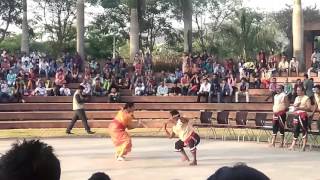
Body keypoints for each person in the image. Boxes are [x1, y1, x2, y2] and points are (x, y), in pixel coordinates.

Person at [289, 86, 312, 151]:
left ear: (302, 91)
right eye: (297, 90)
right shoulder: (296, 98)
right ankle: (293, 145)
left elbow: (309, 108)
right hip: (296, 115)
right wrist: (294, 107)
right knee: (295, 129)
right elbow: (294, 106)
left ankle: (303, 146)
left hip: (303, 115)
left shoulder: (306, 98)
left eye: (299, 90)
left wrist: (300, 108)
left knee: (304, 130)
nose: (297, 92)